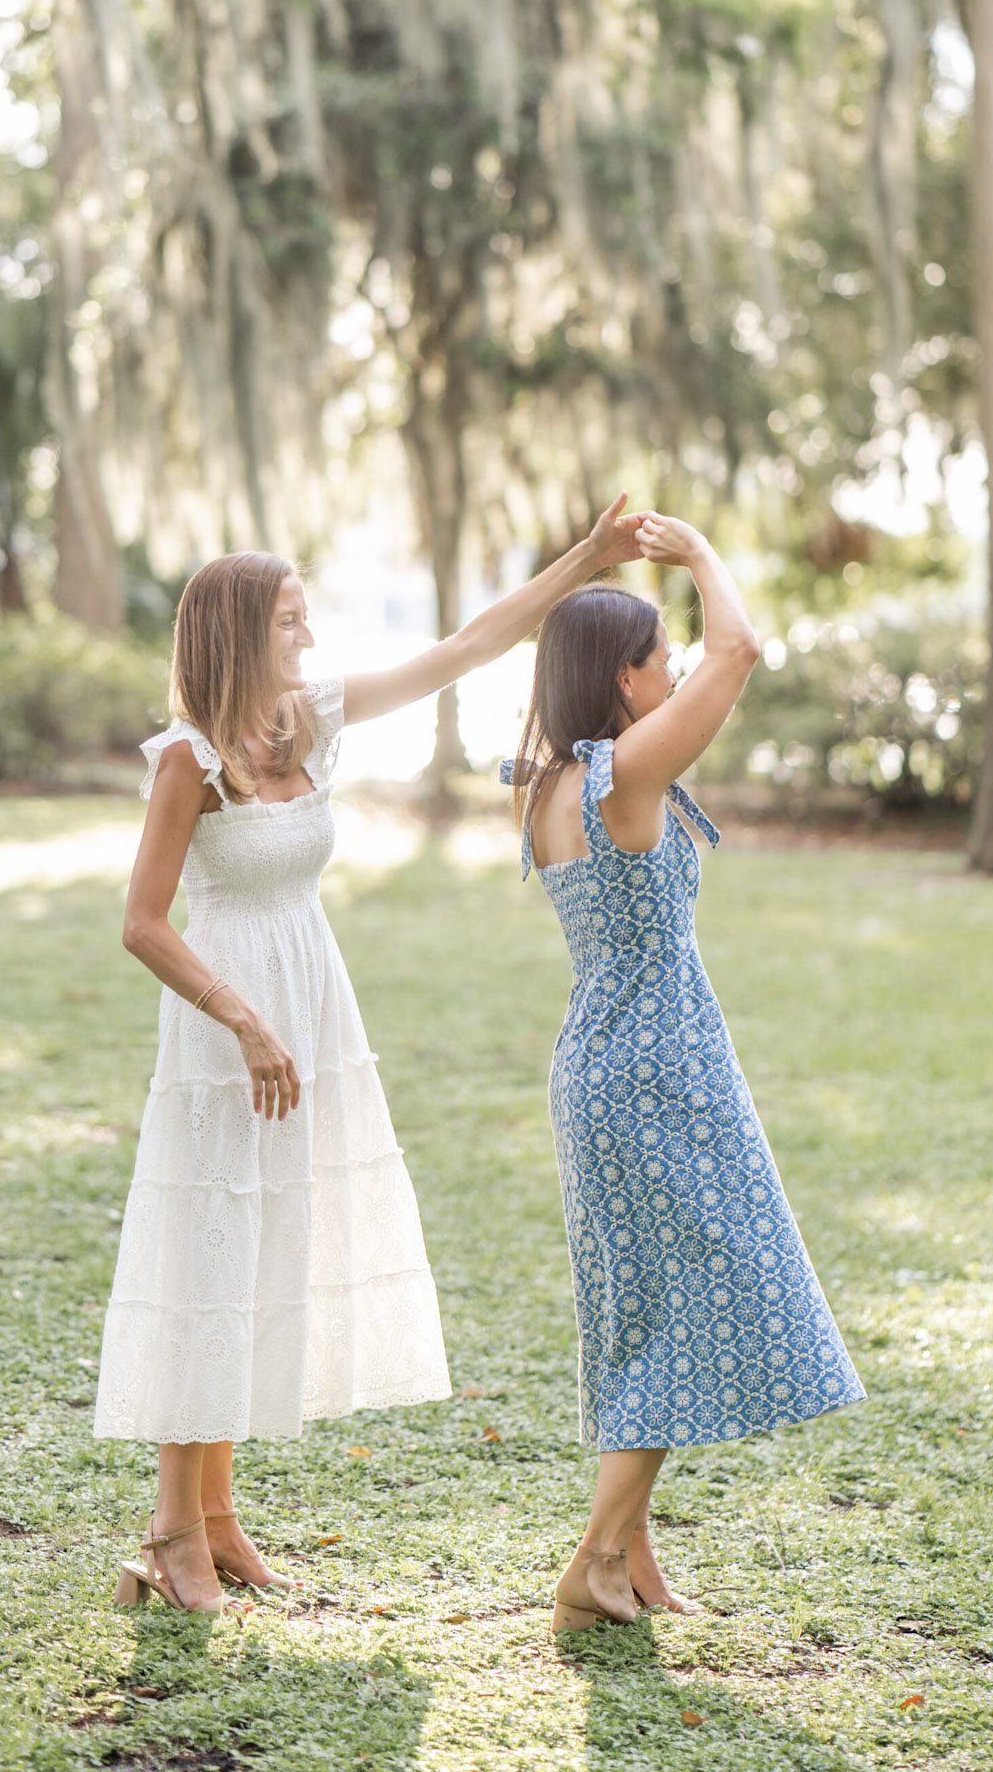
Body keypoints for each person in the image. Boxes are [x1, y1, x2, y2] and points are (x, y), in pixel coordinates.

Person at [96, 498, 646, 1614]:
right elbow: (143, 922)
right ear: (239, 633)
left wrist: (583, 560)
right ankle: (167, 1534)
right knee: (209, 1253)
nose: (306, 635)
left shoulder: (310, 719)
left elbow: (466, 648)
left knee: (266, 1250)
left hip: (314, 1001)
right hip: (227, 1024)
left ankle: (217, 1518)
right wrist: (242, 1019)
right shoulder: (187, 760)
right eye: (290, 620)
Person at [500, 515, 865, 1631]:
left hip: (603, 1060)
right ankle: (595, 1556)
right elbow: (741, 651)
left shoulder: (550, 779)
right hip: (658, 1064)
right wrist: (701, 553)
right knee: (694, 1300)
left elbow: (707, 663)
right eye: (659, 656)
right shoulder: (624, 771)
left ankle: (635, 1566)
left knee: (637, 1309)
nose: (676, 669)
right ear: (623, 675)